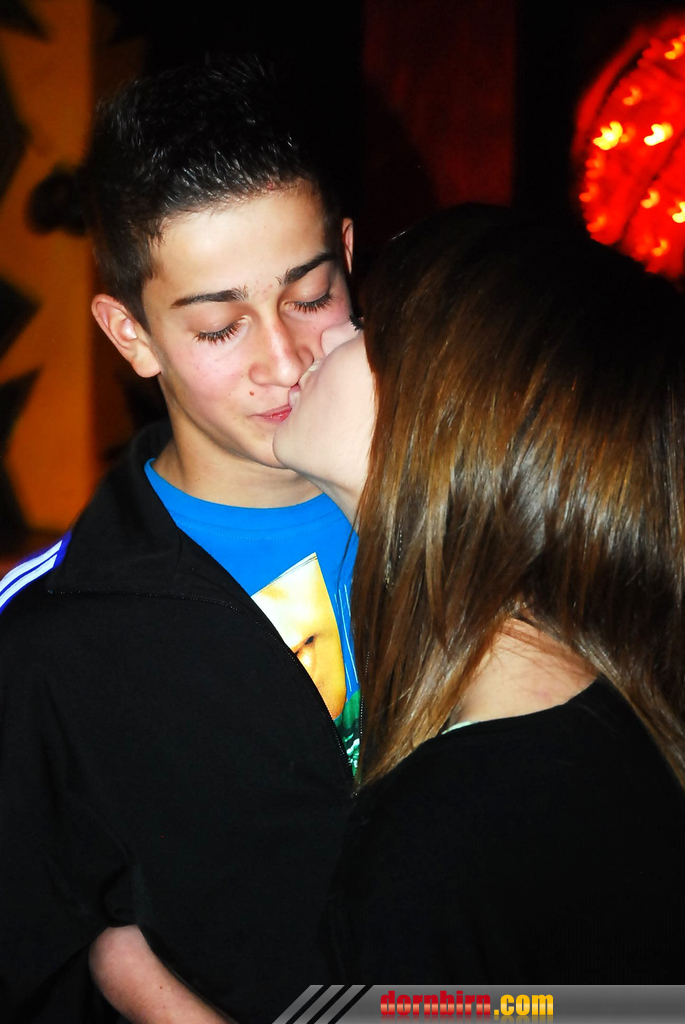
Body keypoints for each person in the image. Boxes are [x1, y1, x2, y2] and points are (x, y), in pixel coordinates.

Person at [0, 60, 359, 1023]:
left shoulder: (498, 510)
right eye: (219, 328)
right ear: (131, 335)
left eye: (309, 295)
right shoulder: (51, 643)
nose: (283, 359)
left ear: (347, 254)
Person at [274, 204, 685, 981]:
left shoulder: (440, 842)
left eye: (375, 332)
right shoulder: (607, 736)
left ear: (453, 420)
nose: (327, 336)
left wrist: (140, 986)